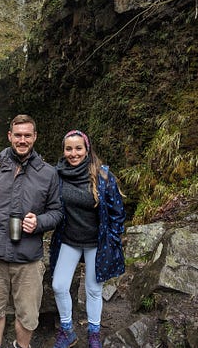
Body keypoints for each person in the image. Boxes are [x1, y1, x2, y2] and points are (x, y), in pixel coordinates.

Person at [0, 114, 63, 348]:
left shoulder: (48, 173)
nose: (22, 140)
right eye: (18, 135)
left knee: (29, 316)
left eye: (27, 135)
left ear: (35, 137)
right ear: (10, 136)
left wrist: (39, 222)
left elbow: (57, 212)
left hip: (28, 257)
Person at [49, 130, 126, 348]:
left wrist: (112, 240)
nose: (73, 153)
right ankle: (67, 330)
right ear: (64, 151)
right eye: (69, 149)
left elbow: (117, 212)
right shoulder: (57, 174)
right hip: (69, 240)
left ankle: (94, 333)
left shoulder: (102, 176)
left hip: (96, 243)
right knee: (58, 285)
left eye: (78, 148)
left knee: (93, 289)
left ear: (87, 149)